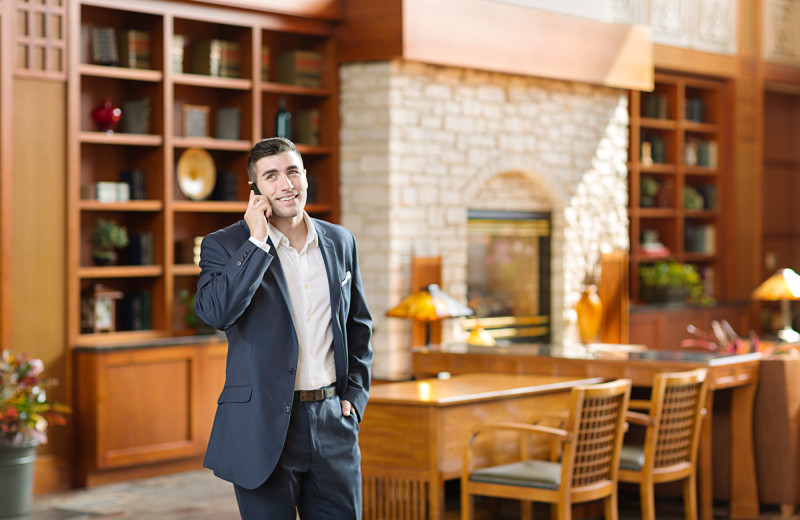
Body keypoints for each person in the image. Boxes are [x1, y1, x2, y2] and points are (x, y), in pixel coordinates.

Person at [195, 137, 373, 519]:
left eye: (292, 171)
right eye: (271, 176)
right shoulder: (225, 245)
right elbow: (215, 312)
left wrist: (354, 400)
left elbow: (358, 326)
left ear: (305, 176)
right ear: (256, 190)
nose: (285, 184)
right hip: (261, 427)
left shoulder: (340, 241)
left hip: (333, 420)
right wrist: (257, 242)